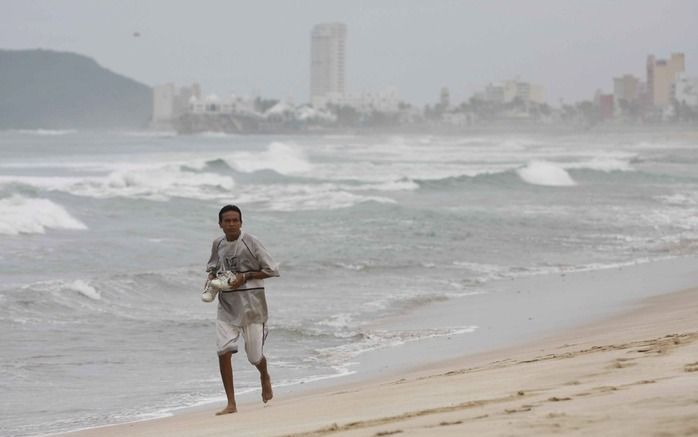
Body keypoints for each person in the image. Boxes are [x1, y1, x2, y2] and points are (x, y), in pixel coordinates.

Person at [205, 204, 279, 415]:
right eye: (227, 221)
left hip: (253, 307)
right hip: (227, 307)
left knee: (254, 357)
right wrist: (210, 283)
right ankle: (231, 403)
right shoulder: (217, 243)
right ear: (220, 224)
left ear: (241, 222)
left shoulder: (251, 242)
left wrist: (244, 277)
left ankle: (264, 375)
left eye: (235, 220)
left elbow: (272, 270)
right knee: (223, 352)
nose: (231, 224)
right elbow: (212, 269)